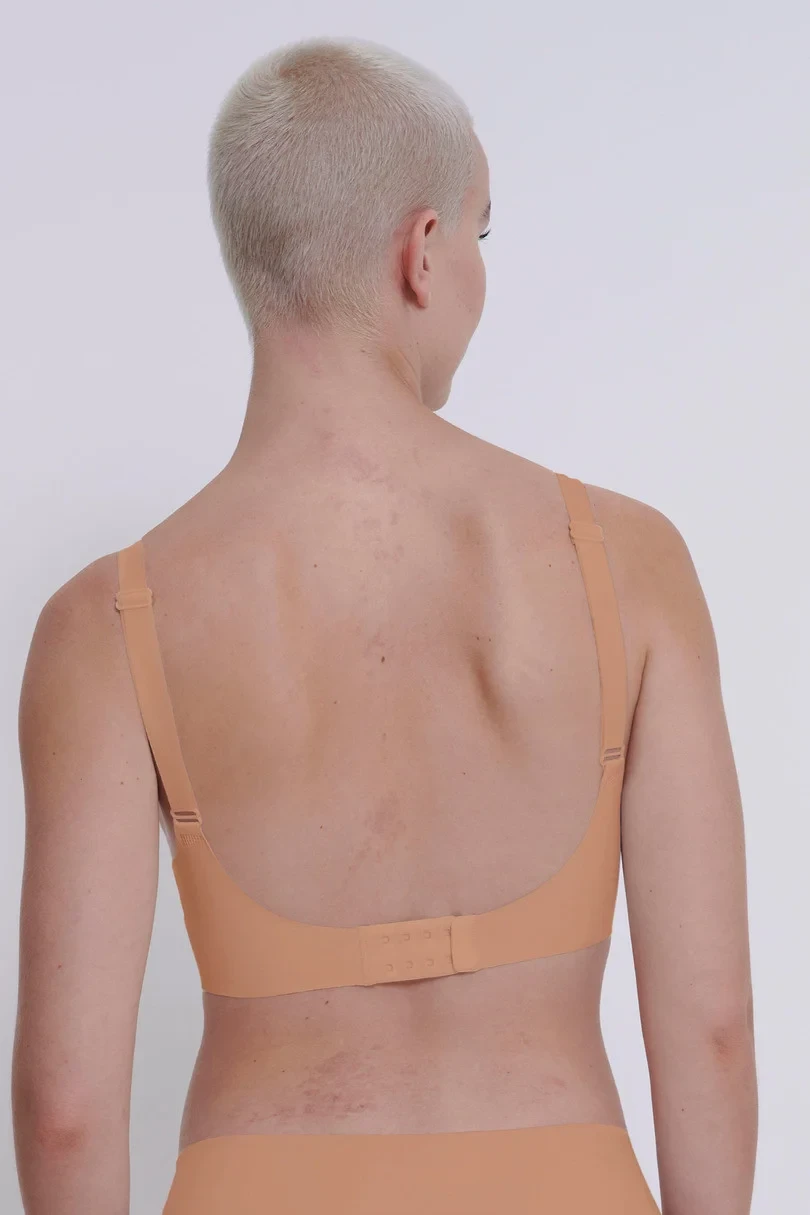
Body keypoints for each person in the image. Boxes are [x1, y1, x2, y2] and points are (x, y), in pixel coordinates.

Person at [12, 35, 757, 1215]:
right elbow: (710, 1028)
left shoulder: (103, 625)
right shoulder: (629, 563)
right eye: (481, 235)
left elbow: (63, 1111)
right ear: (422, 252)